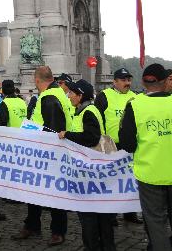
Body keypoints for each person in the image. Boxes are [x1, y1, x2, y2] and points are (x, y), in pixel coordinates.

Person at [13, 66, 71, 246]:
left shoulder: (49, 98)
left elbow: (53, 129)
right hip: (43, 150)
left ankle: (57, 231)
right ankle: (32, 224)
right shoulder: (57, 93)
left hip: (48, 153)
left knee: (53, 192)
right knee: (35, 190)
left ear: (37, 80)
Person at [119, 64, 172, 251]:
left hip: (150, 174)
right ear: (166, 81)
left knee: (155, 222)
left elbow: (127, 144)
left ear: (143, 82)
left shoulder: (135, 105)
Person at [57, 79, 115, 251]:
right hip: (94, 169)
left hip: (90, 171)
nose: (69, 96)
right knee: (101, 214)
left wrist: (68, 134)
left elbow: (91, 137)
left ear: (80, 95)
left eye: (71, 93)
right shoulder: (87, 110)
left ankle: (93, 246)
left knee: (89, 214)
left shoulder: (87, 112)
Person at [94, 67, 141, 225]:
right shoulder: (103, 96)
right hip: (111, 146)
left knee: (129, 181)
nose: (127, 83)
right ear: (114, 82)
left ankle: (130, 213)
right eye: (123, 80)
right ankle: (111, 215)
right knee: (111, 182)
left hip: (129, 146)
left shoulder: (135, 97)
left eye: (128, 79)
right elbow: (98, 119)